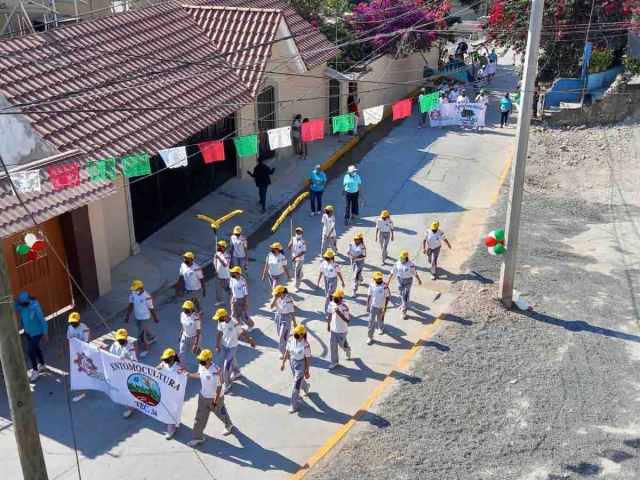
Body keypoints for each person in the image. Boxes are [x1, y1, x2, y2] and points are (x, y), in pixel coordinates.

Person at [186, 349, 233, 447]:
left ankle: (228, 424)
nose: (201, 361)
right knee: (199, 417)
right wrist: (189, 374)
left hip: (215, 398)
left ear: (209, 359)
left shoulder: (215, 371)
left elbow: (219, 387)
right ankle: (197, 437)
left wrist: (215, 402)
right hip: (203, 396)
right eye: (200, 359)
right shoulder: (201, 366)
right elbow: (199, 375)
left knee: (220, 413)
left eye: (203, 359)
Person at [214, 308, 256, 393]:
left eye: (219, 318)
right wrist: (217, 345)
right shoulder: (221, 322)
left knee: (226, 367)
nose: (218, 320)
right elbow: (220, 333)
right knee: (231, 360)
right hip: (224, 345)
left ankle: (227, 384)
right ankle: (237, 372)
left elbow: (242, 333)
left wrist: (250, 341)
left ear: (225, 316)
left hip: (232, 347)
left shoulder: (234, 323)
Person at [14, 291, 49, 382]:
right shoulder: (22, 306)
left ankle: (35, 370)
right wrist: (16, 302)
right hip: (28, 332)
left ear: (28, 300)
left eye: (24, 303)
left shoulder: (35, 307)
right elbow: (14, 307)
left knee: (30, 351)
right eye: (21, 303)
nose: (23, 305)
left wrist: (45, 333)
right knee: (36, 348)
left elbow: (42, 320)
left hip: (37, 333)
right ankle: (42, 364)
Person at [280, 324, 311, 413]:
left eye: (297, 334)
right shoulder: (291, 339)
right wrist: (283, 363)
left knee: (295, 385)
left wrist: (307, 370)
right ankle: (305, 386)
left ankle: (294, 405)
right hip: (292, 362)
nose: (295, 335)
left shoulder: (306, 345)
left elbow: (307, 358)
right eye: (295, 333)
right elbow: (287, 351)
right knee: (298, 381)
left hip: (301, 365)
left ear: (302, 335)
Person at [125, 280, 159, 359]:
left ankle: (144, 349)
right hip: (136, 316)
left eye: (136, 289)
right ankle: (152, 337)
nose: (134, 291)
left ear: (141, 288)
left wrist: (155, 318)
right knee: (144, 330)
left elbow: (151, 308)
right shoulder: (133, 294)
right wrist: (127, 316)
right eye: (134, 289)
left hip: (144, 317)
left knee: (141, 335)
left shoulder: (147, 297)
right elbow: (131, 305)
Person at [156, 348, 185, 439]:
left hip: (174, 393)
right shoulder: (164, 364)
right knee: (168, 409)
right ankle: (174, 422)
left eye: (166, 358)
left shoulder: (179, 367)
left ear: (172, 358)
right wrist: (158, 368)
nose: (164, 360)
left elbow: (182, 380)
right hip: (165, 391)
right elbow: (157, 368)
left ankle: (171, 429)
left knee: (172, 410)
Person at [109, 329, 137, 418]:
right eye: (119, 339)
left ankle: (131, 407)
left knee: (129, 390)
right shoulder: (115, 344)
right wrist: (102, 349)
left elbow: (135, 362)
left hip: (128, 372)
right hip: (118, 371)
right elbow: (110, 354)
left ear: (126, 337)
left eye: (122, 339)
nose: (120, 341)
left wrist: (127, 357)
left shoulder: (131, 348)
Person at [387, 250, 422, 319]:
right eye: (400, 257)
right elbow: (393, 272)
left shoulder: (410, 265)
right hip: (399, 279)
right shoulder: (397, 263)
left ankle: (404, 312)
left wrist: (419, 280)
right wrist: (388, 281)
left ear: (406, 258)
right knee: (400, 293)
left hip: (408, 281)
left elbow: (415, 273)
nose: (401, 259)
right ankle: (402, 304)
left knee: (405, 295)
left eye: (402, 258)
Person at [66, 312, 90, 402]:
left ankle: (81, 392)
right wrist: (62, 351)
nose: (72, 324)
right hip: (74, 353)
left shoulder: (84, 328)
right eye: (71, 322)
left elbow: (86, 343)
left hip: (82, 354)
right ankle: (82, 388)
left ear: (79, 320)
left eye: (74, 322)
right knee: (80, 372)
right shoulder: (70, 328)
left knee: (79, 373)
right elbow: (69, 340)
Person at [327, 290, 351, 370]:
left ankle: (347, 350)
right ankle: (334, 362)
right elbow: (330, 314)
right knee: (333, 347)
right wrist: (328, 324)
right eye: (334, 297)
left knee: (342, 346)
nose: (334, 298)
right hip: (333, 330)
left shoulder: (344, 308)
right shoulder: (331, 304)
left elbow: (347, 320)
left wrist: (339, 313)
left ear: (341, 298)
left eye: (336, 297)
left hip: (341, 331)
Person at [270, 285, 297, 358]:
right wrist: (275, 298)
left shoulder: (288, 300)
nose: (275, 295)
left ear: (281, 293)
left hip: (286, 318)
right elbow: (271, 306)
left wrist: (294, 323)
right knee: (281, 335)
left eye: (277, 293)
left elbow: (292, 312)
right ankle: (289, 347)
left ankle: (284, 352)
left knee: (282, 336)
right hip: (278, 316)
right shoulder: (276, 297)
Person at [316, 249, 345, 314]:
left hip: (333, 280)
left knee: (329, 295)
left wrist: (342, 282)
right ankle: (335, 307)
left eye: (327, 258)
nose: (326, 259)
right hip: (326, 279)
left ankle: (327, 312)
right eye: (325, 258)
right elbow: (321, 272)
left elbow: (339, 273)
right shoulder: (323, 263)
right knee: (329, 296)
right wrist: (318, 282)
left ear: (331, 258)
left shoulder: (335, 265)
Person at [366, 272, 390, 345]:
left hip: (381, 307)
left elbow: (387, 297)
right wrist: (367, 305)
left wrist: (385, 307)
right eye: (378, 278)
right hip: (373, 306)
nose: (379, 280)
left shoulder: (385, 286)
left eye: (380, 278)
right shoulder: (371, 285)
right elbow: (369, 295)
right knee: (371, 322)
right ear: (374, 279)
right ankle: (370, 337)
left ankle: (380, 328)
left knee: (380, 319)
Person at [229, 266, 255, 331]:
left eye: (233, 273)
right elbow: (232, 290)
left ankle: (251, 325)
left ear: (238, 274)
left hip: (241, 300)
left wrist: (245, 304)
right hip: (234, 299)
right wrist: (231, 299)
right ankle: (237, 329)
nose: (232, 274)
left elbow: (245, 294)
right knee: (234, 315)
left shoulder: (243, 282)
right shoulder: (231, 279)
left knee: (243, 316)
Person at [347, 232, 367, 296]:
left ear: (360, 239)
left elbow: (364, 255)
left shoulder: (362, 246)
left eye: (357, 239)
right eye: (355, 239)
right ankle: (361, 279)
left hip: (360, 262)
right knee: (356, 273)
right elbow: (348, 252)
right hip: (353, 261)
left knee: (355, 276)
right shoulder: (351, 244)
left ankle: (354, 290)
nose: (355, 240)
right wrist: (351, 257)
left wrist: (356, 257)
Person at [288, 226, 307, 291]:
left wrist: (295, 257)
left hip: (300, 259)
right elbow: (289, 245)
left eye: (299, 232)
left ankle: (297, 285)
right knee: (296, 269)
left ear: (301, 233)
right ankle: (301, 275)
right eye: (297, 232)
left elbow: (304, 251)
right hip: (293, 257)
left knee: (296, 271)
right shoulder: (293, 238)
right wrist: (289, 245)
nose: (298, 233)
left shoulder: (303, 241)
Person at [214, 240, 231, 306]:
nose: (218, 247)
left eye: (220, 246)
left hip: (225, 276)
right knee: (218, 290)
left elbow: (225, 265)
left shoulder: (227, 255)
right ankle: (219, 301)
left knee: (227, 288)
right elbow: (214, 262)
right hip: (218, 275)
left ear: (224, 247)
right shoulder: (217, 253)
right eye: (218, 246)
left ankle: (234, 296)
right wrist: (215, 269)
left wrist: (219, 258)